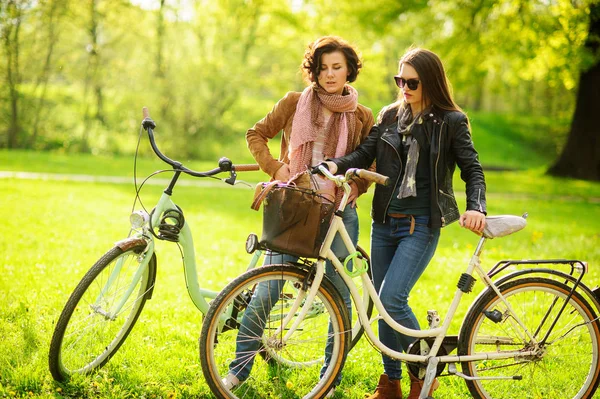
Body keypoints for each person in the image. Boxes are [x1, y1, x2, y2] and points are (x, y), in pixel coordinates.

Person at [322, 47, 487, 399]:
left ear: (430, 82)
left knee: (392, 298)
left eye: (412, 81)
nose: (404, 87)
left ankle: (426, 371)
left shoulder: (451, 121)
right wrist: (337, 165)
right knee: (383, 308)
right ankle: (392, 383)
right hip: (384, 222)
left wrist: (477, 207)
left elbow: (472, 170)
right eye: (400, 80)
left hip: (422, 224)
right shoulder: (389, 115)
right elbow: (366, 152)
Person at [222, 35, 375, 398]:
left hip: (338, 216)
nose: (329, 74)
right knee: (265, 290)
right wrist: (276, 168)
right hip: (293, 209)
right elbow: (256, 133)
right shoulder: (295, 102)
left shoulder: (362, 114)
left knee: (339, 300)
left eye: (337, 67)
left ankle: (329, 380)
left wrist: (354, 190)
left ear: (349, 69)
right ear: (314, 70)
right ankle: (238, 370)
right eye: (322, 68)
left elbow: (367, 164)